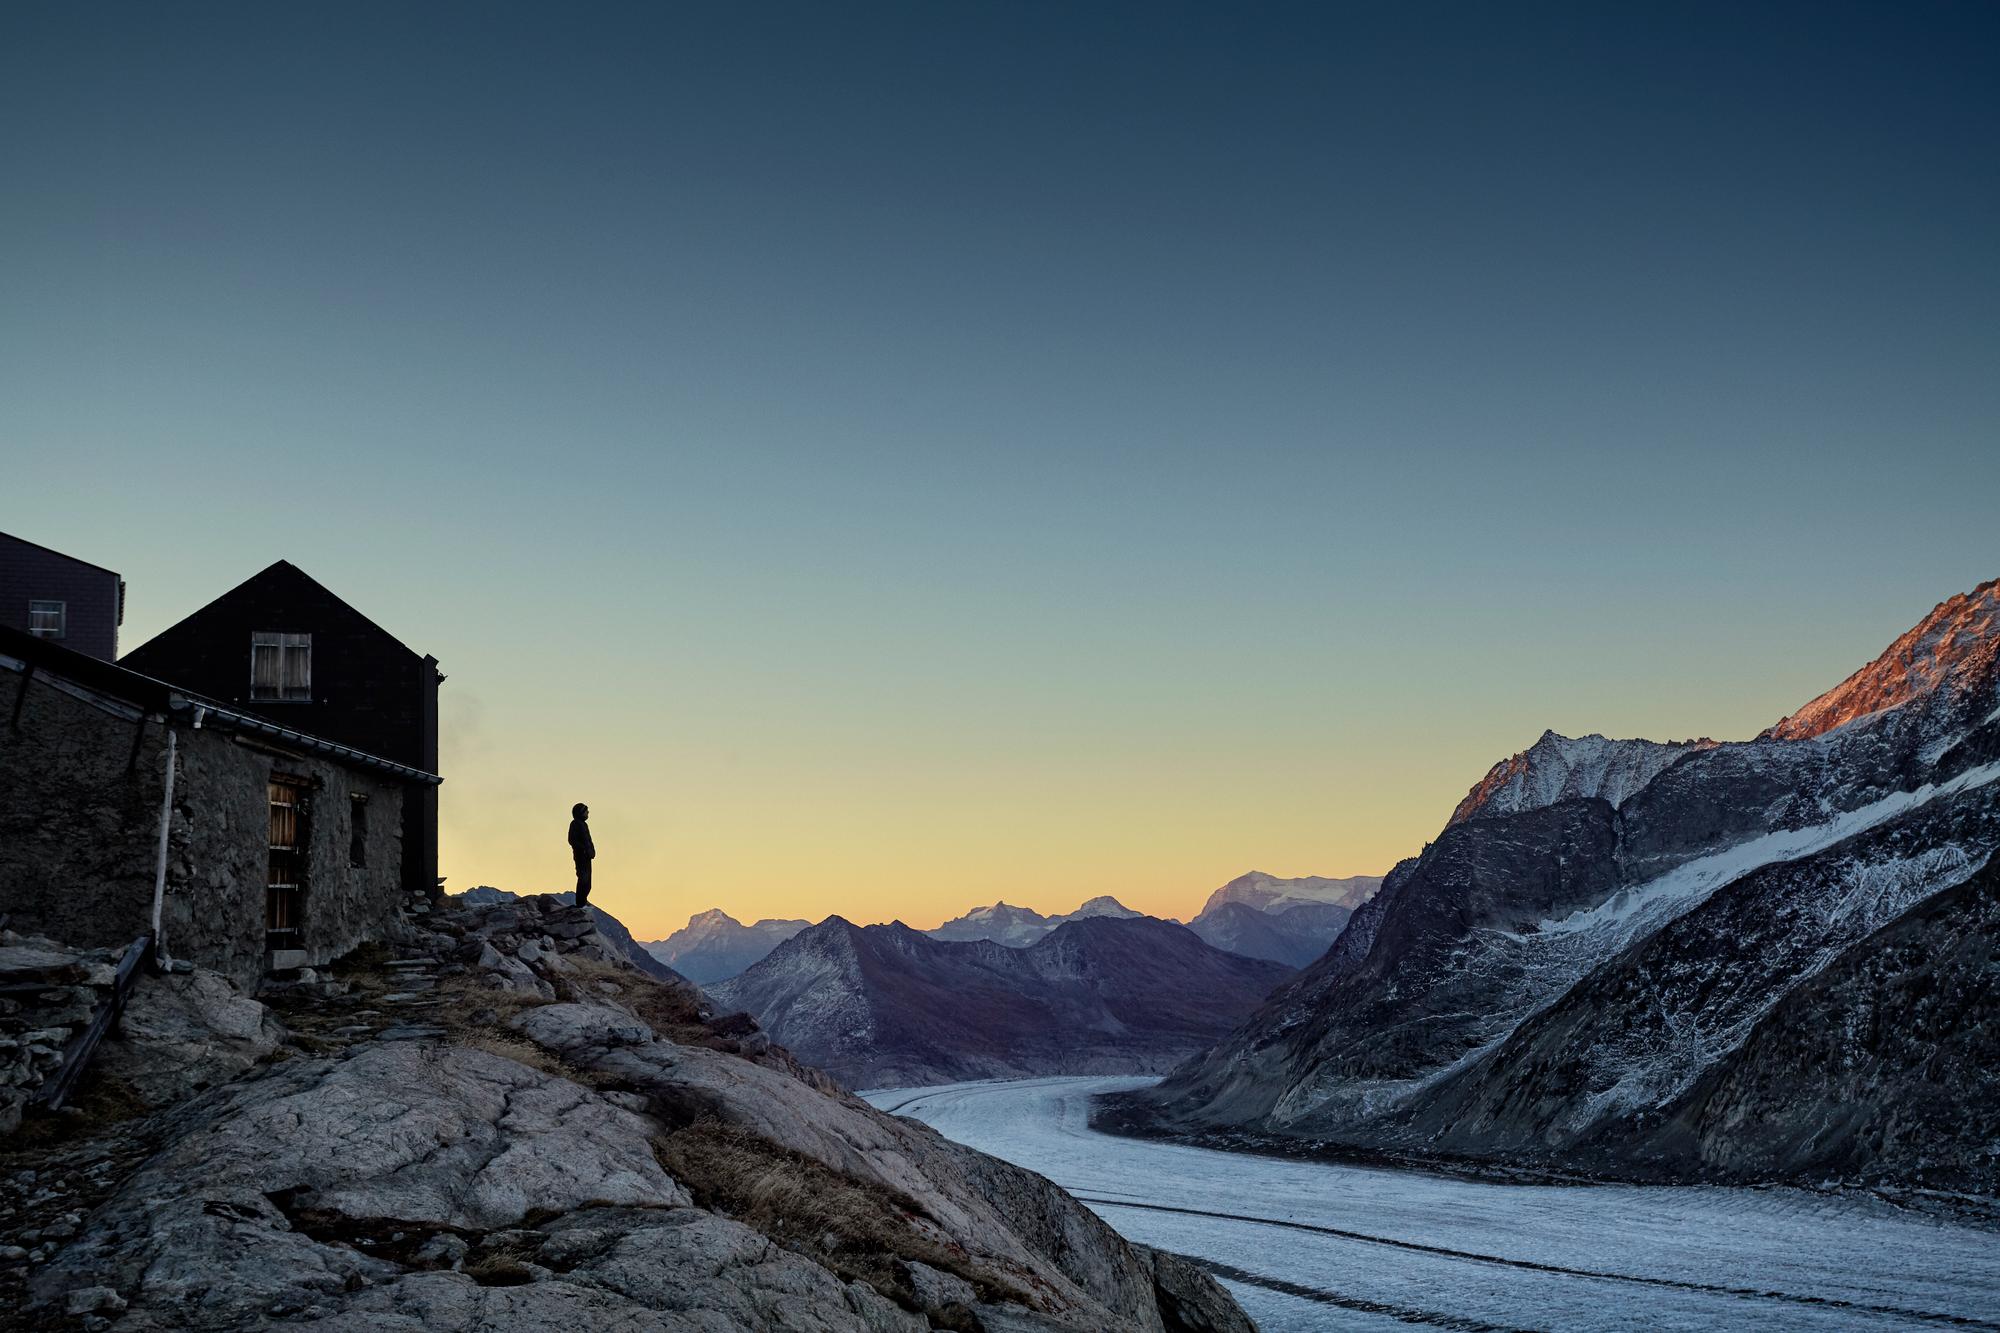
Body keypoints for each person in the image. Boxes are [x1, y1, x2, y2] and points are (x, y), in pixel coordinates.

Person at [568, 802, 595, 907]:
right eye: (586, 811)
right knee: (583, 878)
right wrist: (583, 850)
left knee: (588, 882)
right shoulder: (575, 824)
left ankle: (583, 900)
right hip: (581, 856)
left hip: (587, 857)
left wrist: (591, 851)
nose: (588, 813)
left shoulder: (584, 824)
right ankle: (580, 902)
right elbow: (572, 840)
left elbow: (588, 840)